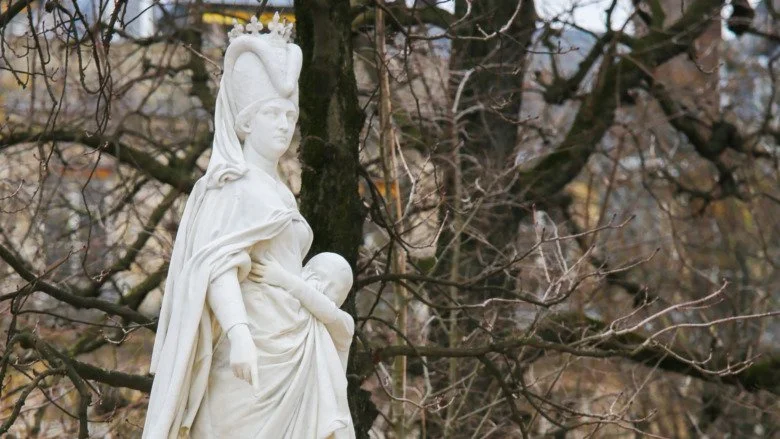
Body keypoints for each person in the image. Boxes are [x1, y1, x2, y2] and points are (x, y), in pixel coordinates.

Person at [143, 14, 355, 439]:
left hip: (295, 345)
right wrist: (239, 334)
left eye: (290, 114)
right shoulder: (229, 186)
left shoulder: (280, 190)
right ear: (246, 121)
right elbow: (217, 267)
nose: (283, 124)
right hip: (252, 350)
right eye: (272, 113)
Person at [251, 252, 355, 371]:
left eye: (333, 287)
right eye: (315, 276)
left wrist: (284, 279)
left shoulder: (345, 325)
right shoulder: (289, 306)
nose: (321, 285)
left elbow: (327, 311)